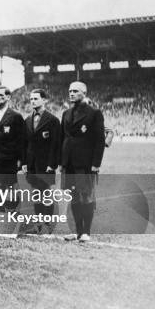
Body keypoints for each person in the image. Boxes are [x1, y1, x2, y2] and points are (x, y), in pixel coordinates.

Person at [60, 81, 105, 242]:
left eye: (75, 91)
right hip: (69, 163)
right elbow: (62, 138)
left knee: (86, 196)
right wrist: (61, 161)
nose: (71, 93)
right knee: (73, 197)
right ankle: (77, 231)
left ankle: (86, 232)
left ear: (84, 93)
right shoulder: (66, 113)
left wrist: (96, 164)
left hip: (85, 163)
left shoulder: (94, 113)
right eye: (70, 90)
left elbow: (100, 140)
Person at [21, 89, 60, 234]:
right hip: (31, 164)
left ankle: (48, 225)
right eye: (31, 99)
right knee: (36, 193)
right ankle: (37, 225)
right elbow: (24, 144)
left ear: (44, 100)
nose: (32, 101)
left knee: (46, 193)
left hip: (46, 164)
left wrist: (52, 164)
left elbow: (56, 145)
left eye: (36, 98)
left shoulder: (53, 120)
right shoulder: (27, 120)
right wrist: (24, 163)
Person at [0, 86, 25, 214]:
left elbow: (21, 140)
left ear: (8, 97)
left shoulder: (15, 116)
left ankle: (13, 211)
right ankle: (1, 213)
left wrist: (20, 159)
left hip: (9, 158)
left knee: (10, 186)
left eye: (1, 95)